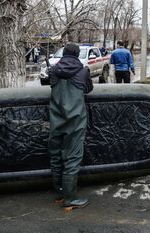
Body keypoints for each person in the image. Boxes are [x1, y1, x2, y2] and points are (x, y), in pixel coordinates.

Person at [48, 42, 93, 210]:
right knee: (72, 157)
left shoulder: (53, 70)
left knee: (55, 155)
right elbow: (88, 89)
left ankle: (59, 193)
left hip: (56, 119)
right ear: (77, 55)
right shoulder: (83, 71)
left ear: (64, 53)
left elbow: (50, 84)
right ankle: (70, 198)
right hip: (75, 120)